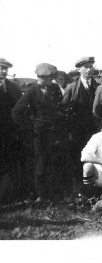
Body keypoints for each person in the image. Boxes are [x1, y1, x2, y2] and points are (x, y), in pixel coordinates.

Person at [12, 63, 66, 203]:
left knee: (53, 162)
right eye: (48, 78)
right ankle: (40, 195)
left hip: (54, 132)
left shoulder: (54, 88)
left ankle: (53, 193)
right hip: (39, 134)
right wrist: (32, 126)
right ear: (40, 77)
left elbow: (60, 108)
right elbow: (17, 112)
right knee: (40, 164)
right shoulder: (31, 91)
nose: (51, 81)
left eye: (52, 78)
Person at [62, 56, 99, 191]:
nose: (89, 70)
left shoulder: (98, 86)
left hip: (94, 130)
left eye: (91, 66)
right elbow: (64, 111)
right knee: (78, 158)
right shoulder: (71, 88)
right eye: (86, 67)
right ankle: (78, 188)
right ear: (79, 69)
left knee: (94, 157)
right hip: (77, 130)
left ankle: (95, 186)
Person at [0, 58, 22, 201]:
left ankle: (8, 195)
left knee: (10, 161)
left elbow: (19, 106)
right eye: (1, 68)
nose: (3, 71)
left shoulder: (13, 86)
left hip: (10, 131)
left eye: (5, 69)